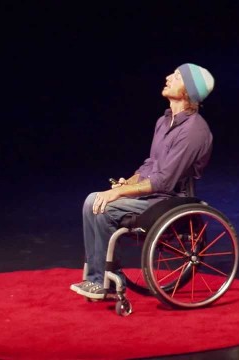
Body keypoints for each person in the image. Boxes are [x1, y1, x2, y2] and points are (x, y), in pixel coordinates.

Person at [70, 63, 215, 300]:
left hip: (169, 201)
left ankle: (102, 281)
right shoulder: (163, 121)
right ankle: (98, 278)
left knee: (103, 207)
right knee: (93, 201)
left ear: (189, 91)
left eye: (177, 77)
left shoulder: (194, 131)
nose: (168, 77)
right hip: (153, 194)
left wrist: (120, 194)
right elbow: (151, 165)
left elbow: (165, 181)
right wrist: (126, 184)